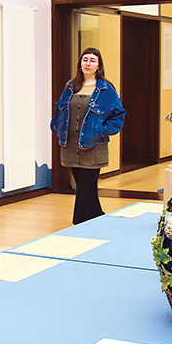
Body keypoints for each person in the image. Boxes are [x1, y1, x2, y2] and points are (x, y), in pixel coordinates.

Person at [50, 47, 126, 224]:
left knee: (86, 188)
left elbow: (118, 115)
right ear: (80, 63)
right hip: (70, 145)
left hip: (93, 146)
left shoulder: (106, 89)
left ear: (99, 65)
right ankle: (98, 218)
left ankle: (78, 223)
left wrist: (102, 130)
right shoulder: (70, 87)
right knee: (85, 189)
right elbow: (59, 109)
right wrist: (56, 126)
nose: (88, 63)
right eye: (85, 59)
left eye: (92, 60)